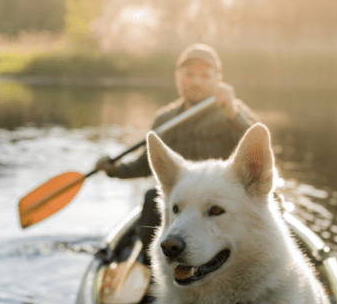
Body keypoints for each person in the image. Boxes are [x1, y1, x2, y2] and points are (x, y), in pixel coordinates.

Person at [95, 43, 259, 257]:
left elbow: (258, 152)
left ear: (217, 80)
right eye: (189, 74)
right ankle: (152, 266)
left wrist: (233, 114)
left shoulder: (233, 112)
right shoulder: (164, 119)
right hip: (180, 204)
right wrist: (114, 169)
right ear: (177, 77)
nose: (196, 81)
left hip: (220, 203)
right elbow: (145, 165)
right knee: (153, 197)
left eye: (205, 76)